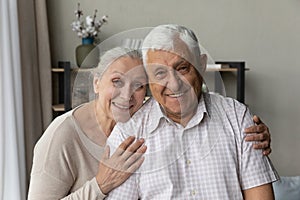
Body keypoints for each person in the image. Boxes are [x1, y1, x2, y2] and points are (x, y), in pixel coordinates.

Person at [28, 44, 271, 199]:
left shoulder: (143, 124)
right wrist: (100, 185)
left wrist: (250, 134)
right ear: (96, 82)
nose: (126, 95)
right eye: (116, 82)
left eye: (138, 86)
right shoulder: (62, 136)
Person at [106, 25, 278, 199]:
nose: (173, 84)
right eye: (159, 73)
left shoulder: (236, 116)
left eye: (182, 68)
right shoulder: (128, 132)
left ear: (201, 65)